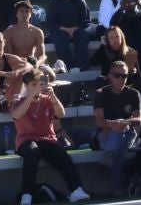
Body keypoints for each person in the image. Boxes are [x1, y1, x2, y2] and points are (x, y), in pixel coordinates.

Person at [10, 66, 91, 202]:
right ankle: (26, 195)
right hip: (26, 140)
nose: (37, 87)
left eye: (39, 84)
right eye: (33, 84)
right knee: (32, 152)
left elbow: (61, 114)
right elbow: (16, 115)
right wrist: (30, 96)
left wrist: (53, 97)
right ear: (26, 86)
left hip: (47, 139)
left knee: (62, 155)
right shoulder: (18, 101)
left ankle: (76, 189)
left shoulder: (47, 100)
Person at [93, 60, 141, 188]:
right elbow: (99, 121)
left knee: (120, 133)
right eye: (117, 75)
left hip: (128, 132)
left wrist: (124, 122)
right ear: (109, 75)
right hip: (106, 133)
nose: (121, 79)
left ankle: (109, 156)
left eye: (124, 76)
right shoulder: (100, 93)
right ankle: (122, 183)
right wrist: (113, 125)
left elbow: (138, 119)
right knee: (120, 143)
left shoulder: (133, 93)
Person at [45, 0, 92, 70]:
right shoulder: (55, 2)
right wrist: (65, 29)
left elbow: (86, 20)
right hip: (59, 30)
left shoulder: (80, 0)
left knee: (83, 36)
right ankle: (68, 68)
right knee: (61, 40)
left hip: (77, 29)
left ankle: (81, 68)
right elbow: (50, 21)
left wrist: (74, 29)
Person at [3, 0, 46, 67]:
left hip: (32, 64)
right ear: (16, 14)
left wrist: (36, 64)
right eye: (21, 11)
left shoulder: (37, 32)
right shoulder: (8, 33)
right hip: (14, 65)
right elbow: (7, 55)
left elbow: (42, 56)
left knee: (49, 72)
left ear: (30, 14)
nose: (24, 14)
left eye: (27, 11)